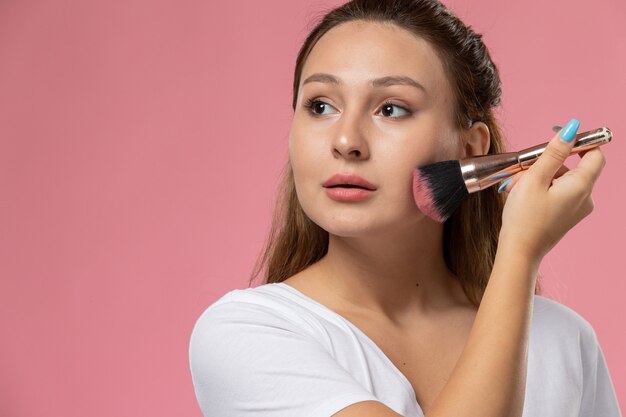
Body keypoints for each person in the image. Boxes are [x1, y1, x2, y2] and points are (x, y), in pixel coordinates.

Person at [189, 1, 622, 416]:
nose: (345, 141)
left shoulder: (563, 340)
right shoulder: (246, 334)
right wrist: (520, 250)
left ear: (470, 148)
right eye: (320, 106)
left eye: (391, 109)